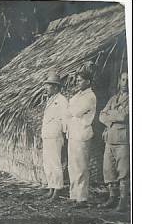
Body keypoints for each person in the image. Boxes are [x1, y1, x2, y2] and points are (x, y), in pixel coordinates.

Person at [99, 71, 129, 212]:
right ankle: (112, 197)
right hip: (110, 139)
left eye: (129, 80)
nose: (126, 83)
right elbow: (101, 115)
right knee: (108, 170)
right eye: (123, 79)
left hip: (123, 140)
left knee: (123, 172)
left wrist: (110, 114)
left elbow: (124, 116)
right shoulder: (113, 99)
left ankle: (123, 201)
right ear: (119, 81)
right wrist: (112, 118)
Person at [66, 67, 97, 208]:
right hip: (73, 133)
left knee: (81, 167)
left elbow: (76, 111)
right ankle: (73, 195)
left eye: (80, 80)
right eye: (77, 80)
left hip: (82, 134)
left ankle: (82, 197)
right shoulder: (78, 95)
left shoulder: (90, 96)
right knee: (72, 165)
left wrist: (70, 109)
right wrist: (70, 109)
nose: (77, 83)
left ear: (88, 81)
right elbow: (69, 109)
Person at [40, 71, 69, 201]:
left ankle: (57, 190)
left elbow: (65, 118)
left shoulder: (62, 100)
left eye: (49, 86)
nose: (46, 88)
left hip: (55, 135)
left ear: (56, 87)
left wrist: (62, 133)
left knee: (55, 163)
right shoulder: (50, 100)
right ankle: (51, 187)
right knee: (48, 163)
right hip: (47, 135)